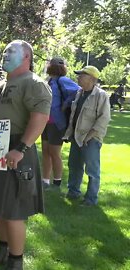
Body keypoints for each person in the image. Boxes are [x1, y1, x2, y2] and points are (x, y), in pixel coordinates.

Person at [0, 40, 51, 270]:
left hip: (17, 150)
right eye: (4, 51)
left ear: (27, 57)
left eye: (11, 51)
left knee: (14, 210)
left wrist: (21, 148)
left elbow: (40, 118)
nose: (5, 55)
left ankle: (15, 263)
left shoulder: (34, 83)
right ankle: (2, 251)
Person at [63, 66, 111, 206]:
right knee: (74, 166)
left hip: (91, 139)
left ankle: (91, 199)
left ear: (91, 79)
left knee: (92, 170)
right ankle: (73, 192)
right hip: (77, 137)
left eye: (81, 75)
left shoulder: (101, 95)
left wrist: (89, 136)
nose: (78, 78)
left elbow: (104, 119)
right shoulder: (79, 93)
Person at [41, 57, 79, 190]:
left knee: (54, 152)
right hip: (45, 122)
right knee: (45, 151)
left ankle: (56, 182)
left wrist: (65, 104)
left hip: (57, 122)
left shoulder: (62, 80)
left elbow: (77, 91)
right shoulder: (49, 80)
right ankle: (45, 181)